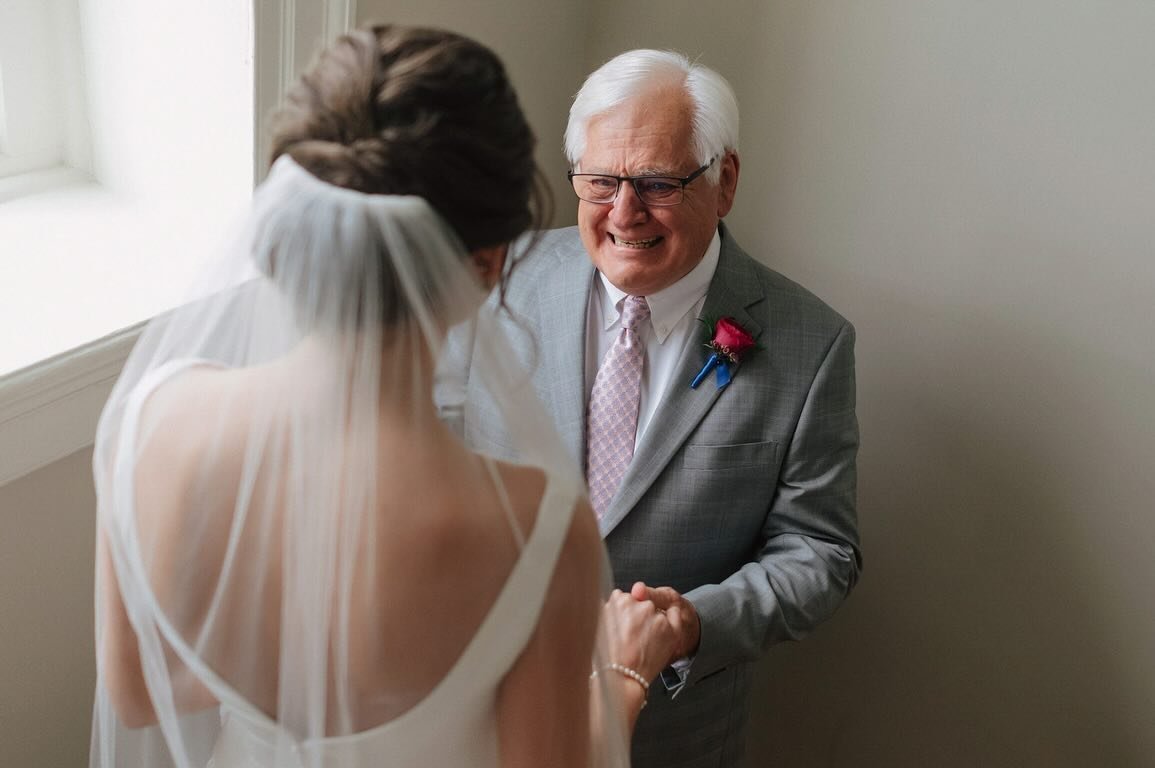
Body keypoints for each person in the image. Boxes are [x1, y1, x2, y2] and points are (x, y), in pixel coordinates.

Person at [92, 26, 677, 768]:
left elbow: (139, 696)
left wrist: (288, 672)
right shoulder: (535, 530)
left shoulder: (151, 418)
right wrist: (625, 672)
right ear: (487, 264)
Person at [438, 49, 862, 767]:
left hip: (674, 734)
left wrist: (694, 623)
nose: (624, 212)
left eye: (658, 182)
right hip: (474, 712)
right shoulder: (494, 280)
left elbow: (820, 551)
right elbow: (425, 452)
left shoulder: (810, 344)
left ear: (723, 181)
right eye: (600, 181)